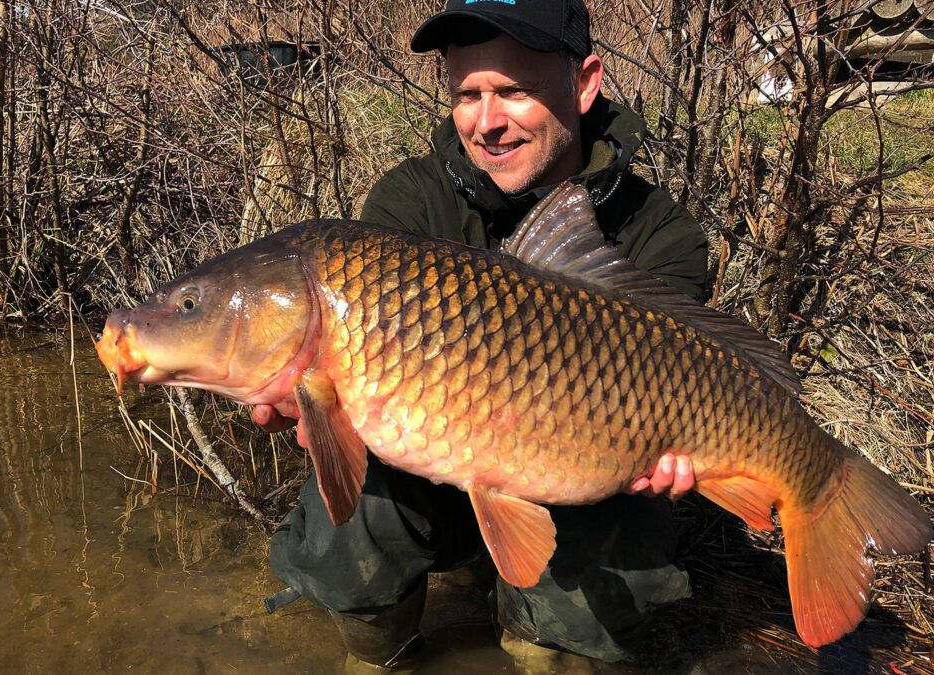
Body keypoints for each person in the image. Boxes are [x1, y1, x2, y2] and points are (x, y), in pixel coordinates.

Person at [258, 0, 709, 668]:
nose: (486, 122)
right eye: (468, 95)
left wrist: (672, 452)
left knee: (611, 559)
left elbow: (687, 383)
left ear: (585, 83)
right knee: (350, 517)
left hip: (582, 474)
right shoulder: (410, 202)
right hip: (437, 475)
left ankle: (542, 648)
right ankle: (377, 653)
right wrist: (318, 407)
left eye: (514, 91)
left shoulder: (657, 232)